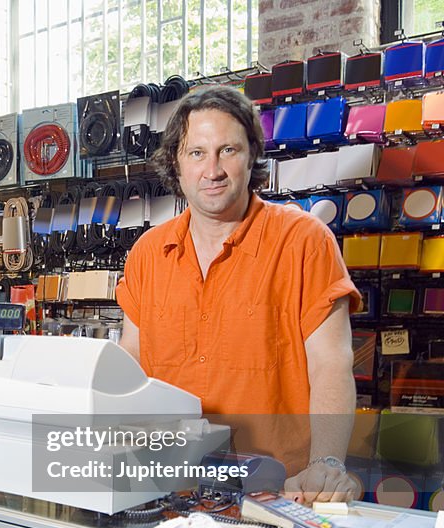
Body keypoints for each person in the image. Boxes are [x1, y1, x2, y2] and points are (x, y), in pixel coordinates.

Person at [114, 85, 360, 503]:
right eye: (196, 153)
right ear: (176, 162)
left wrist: (327, 465)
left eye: (228, 150)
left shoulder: (303, 242)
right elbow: (130, 366)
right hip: (170, 490)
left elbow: (330, 364)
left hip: (277, 495)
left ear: (252, 157)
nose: (212, 169)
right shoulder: (148, 254)